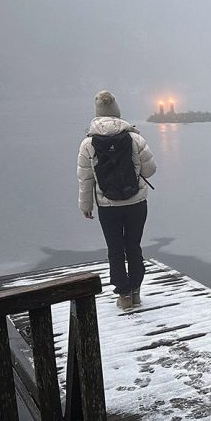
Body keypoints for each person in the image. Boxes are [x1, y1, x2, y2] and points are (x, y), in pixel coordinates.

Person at [77, 91, 157, 309]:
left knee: (115, 250)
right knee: (134, 246)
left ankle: (124, 296)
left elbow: (85, 178)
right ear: (117, 111)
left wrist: (86, 206)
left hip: (107, 206)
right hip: (136, 203)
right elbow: (150, 170)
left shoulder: (88, 144)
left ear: (97, 113)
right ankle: (136, 291)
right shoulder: (134, 138)